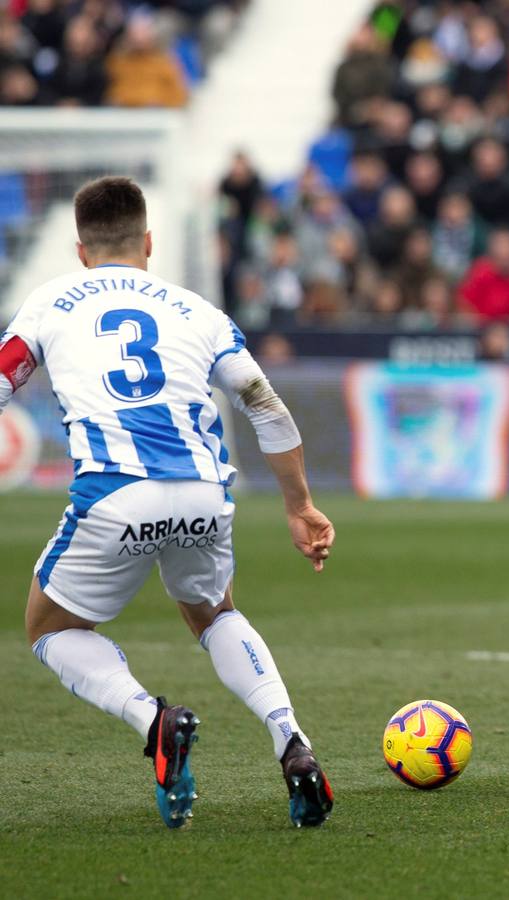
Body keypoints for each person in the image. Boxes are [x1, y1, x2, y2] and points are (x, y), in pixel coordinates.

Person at [0, 177, 336, 828]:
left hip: (115, 492)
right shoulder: (196, 310)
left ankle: (154, 721)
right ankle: (290, 739)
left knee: (50, 627)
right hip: (204, 494)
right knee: (213, 615)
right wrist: (299, 507)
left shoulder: (49, 302)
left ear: (80, 250)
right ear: (149, 242)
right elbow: (265, 404)